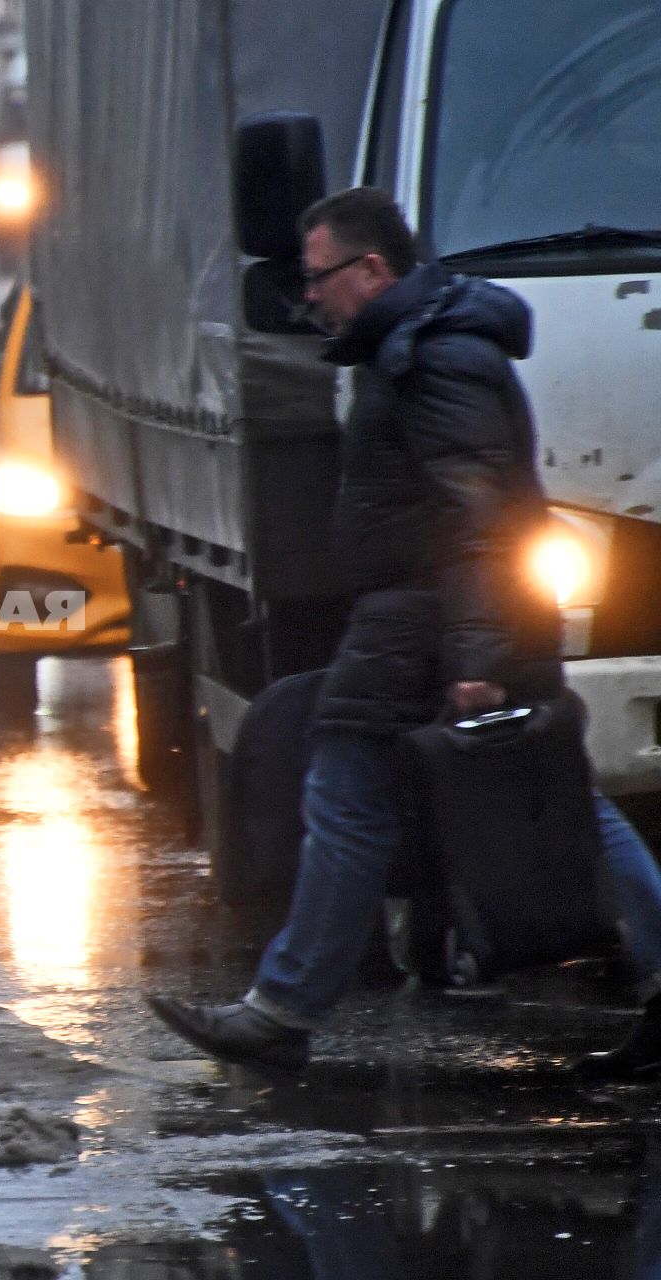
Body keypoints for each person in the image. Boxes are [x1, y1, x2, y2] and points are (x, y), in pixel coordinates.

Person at [147, 188, 661, 1078]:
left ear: (372, 269)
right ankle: (285, 1005)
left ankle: (283, 1009)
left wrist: (475, 659)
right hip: (428, 622)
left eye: (318, 280)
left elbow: (479, 520)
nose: (311, 299)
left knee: (352, 799)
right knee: (548, 800)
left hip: (434, 625)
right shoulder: (410, 348)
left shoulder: (437, 358)